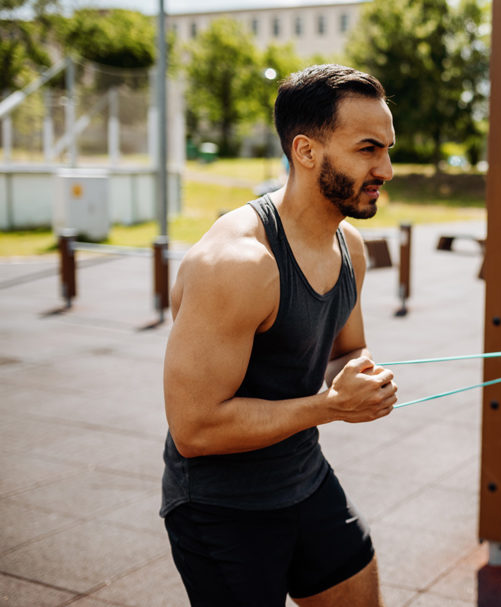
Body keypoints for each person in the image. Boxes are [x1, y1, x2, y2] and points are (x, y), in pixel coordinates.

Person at [160, 64, 399, 607]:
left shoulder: (349, 248)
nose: (386, 168)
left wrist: (360, 378)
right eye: (367, 149)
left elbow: (346, 351)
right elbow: (195, 427)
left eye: (387, 149)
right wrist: (331, 407)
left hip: (305, 477)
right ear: (306, 151)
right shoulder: (239, 264)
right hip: (221, 508)